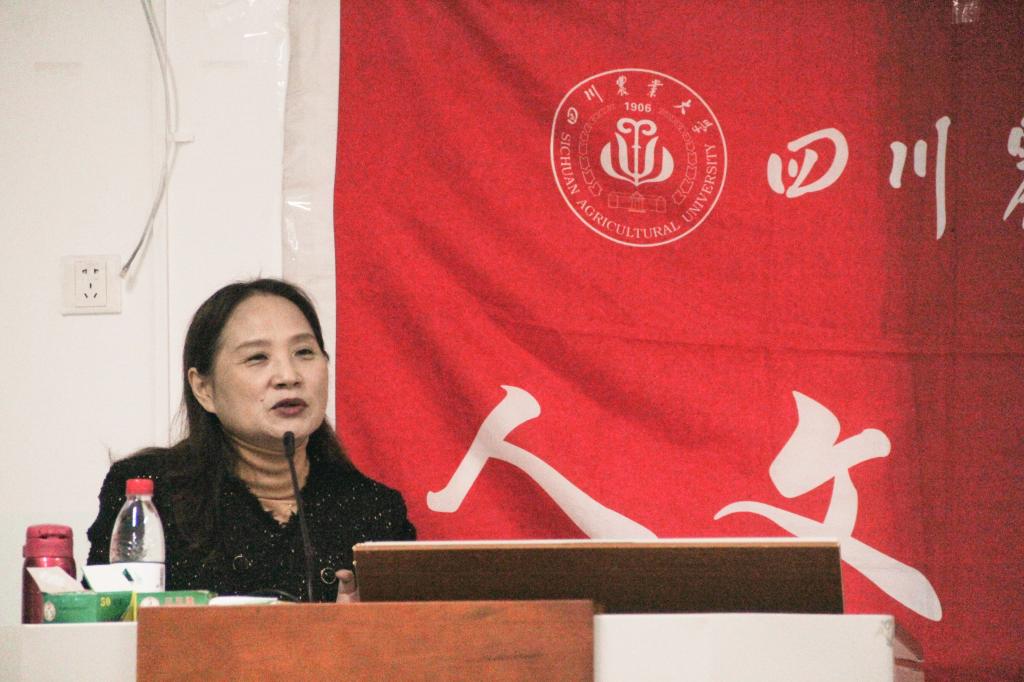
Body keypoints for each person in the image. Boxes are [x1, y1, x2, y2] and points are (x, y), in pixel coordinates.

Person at [87, 278, 415, 602]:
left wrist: (359, 626)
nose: (289, 376)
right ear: (204, 389)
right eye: (257, 357)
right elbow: (104, 621)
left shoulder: (374, 511)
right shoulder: (149, 496)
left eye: (304, 352)